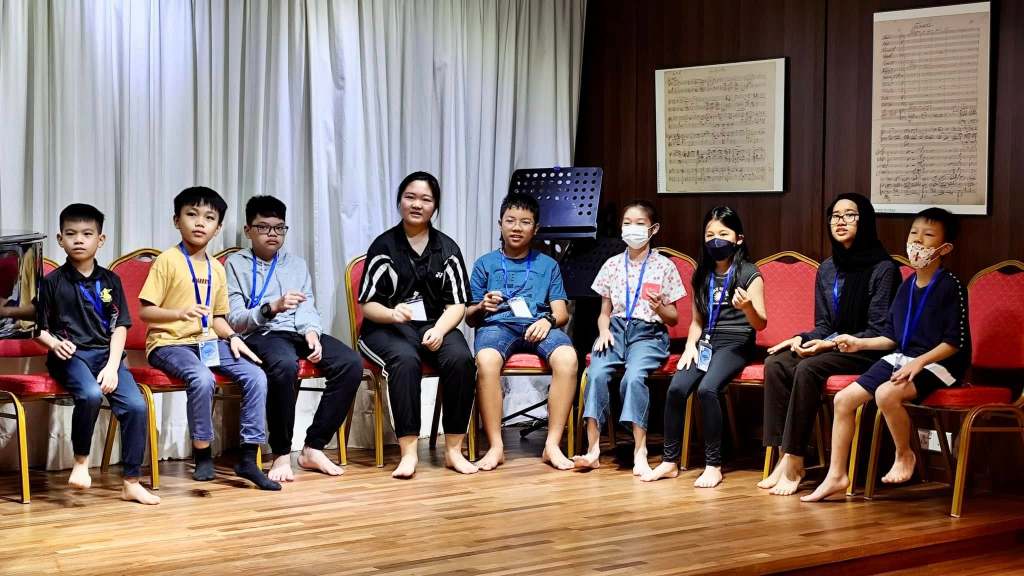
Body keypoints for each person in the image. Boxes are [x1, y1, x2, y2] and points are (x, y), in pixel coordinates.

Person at [803, 208, 970, 502]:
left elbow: (954, 342)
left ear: (944, 248)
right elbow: (892, 338)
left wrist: (920, 362)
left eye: (928, 235)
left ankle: (904, 454)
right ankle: (837, 474)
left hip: (941, 364)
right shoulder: (906, 286)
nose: (917, 241)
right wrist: (859, 343)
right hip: (904, 358)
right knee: (844, 400)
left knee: (886, 394)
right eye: (913, 233)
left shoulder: (951, 285)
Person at [758, 193, 900, 496]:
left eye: (850, 215)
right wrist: (803, 338)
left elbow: (877, 329)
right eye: (835, 216)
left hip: (867, 349)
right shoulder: (827, 269)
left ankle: (795, 459)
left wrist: (829, 344)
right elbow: (824, 325)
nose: (841, 221)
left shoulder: (884, 269)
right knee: (777, 363)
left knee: (808, 368)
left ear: (865, 221)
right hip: (835, 346)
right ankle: (783, 454)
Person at [139, 187, 279, 490]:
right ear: (177, 221)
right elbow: (146, 313)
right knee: (202, 378)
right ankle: (203, 453)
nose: (200, 222)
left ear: (218, 228)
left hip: (208, 341)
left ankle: (248, 457)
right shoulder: (167, 261)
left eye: (209, 218)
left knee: (256, 376)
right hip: (169, 343)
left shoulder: (217, 268)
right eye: (192, 215)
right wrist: (180, 313)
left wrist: (233, 337)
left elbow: (217, 317)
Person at [226, 195, 365, 482]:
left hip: (297, 332)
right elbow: (234, 319)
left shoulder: (296, 264)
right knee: (284, 365)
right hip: (261, 334)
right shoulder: (235, 264)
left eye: (279, 228)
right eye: (263, 227)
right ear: (248, 230)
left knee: (350, 363)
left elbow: (307, 305)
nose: (272, 234)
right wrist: (271, 308)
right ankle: (280, 453)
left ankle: (313, 447)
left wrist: (312, 332)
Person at [34, 204, 159, 504]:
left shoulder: (111, 280)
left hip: (107, 357)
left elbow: (121, 326)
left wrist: (114, 366)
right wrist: (54, 344)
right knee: (90, 395)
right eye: (71, 234)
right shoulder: (50, 282)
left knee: (136, 406)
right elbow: (36, 328)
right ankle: (81, 462)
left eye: (87, 234)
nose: (79, 239)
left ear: (100, 240)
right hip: (70, 357)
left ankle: (131, 482)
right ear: (60, 238)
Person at [357, 172, 477, 478]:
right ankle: (408, 453)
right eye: (410, 197)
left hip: (435, 324)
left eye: (425, 199)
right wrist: (391, 314)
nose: (417, 204)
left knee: (461, 358)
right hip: (386, 327)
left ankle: (453, 450)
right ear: (399, 201)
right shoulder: (384, 246)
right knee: (405, 360)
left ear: (435, 206)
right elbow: (367, 305)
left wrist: (440, 330)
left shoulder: (447, 249)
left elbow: (458, 305)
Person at [644, 206, 767, 487]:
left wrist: (747, 307)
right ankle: (669, 461)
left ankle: (714, 465)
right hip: (706, 341)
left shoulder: (750, 273)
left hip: (737, 342)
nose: (716, 240)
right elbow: (697, 321)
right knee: (676, 388)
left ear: (738, 239)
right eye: (710, 235)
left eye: (723, 233)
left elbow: (761, 323)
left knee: (707, 389)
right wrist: (690, 346)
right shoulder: (702, 274)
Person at [466, 191, 578, 471]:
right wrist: (481, 306)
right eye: (510, 221)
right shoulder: (484, 264)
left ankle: (552, 445)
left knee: (568, 358)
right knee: (486, 361)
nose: (516, 228)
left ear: (535, 228)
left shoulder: (548, 265)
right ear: (500, 224)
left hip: (539, 326)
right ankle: (496, 447)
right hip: (497, 326)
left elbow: (562, 312)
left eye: (525, 222)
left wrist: (548, 321)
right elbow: (469, 317)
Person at [574, 201, 687, 474]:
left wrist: (659, 307)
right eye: (627, 223)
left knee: (633, 378)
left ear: (653, 229)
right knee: (596, 373)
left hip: (647, 334)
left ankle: (640, 450)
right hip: (614, 331)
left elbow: (674, 317)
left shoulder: (664, 266)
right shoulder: (612, 264)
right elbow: (604, 312)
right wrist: (603, 331)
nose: (632, 228)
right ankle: (593, 450)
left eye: (639, 223)